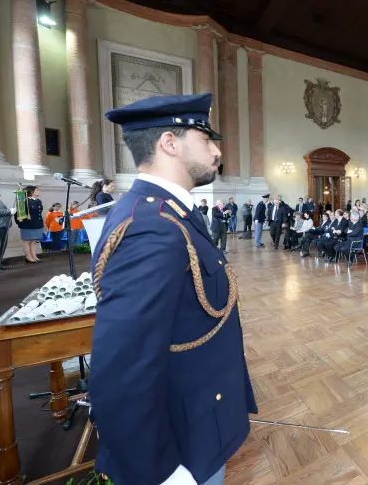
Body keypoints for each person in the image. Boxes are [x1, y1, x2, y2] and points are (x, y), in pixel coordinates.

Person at [91, 92, 256, 484]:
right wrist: (163, 473)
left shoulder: (167, 213)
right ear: (170, 143)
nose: (217, 152)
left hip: (200, 417)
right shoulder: (154, 228)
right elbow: (121, 372)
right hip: (181, 447)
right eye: (207, 140)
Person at [14, 185, 44, 264]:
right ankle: (28, 256)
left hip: (37, 223)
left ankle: (34, 255)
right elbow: (18, 214)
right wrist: (21, 223)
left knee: (34, 241)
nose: (38, 191)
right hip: (27, 224)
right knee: (27, 241)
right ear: (31, 192)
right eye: (37, 190)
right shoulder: (23, 201)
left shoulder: (38, 201)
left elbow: (39, 212)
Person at [0, 193, 15, 271]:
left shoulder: (0, 201)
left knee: (2, 247)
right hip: (0, 227)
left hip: (3, 226)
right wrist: (9, 211)